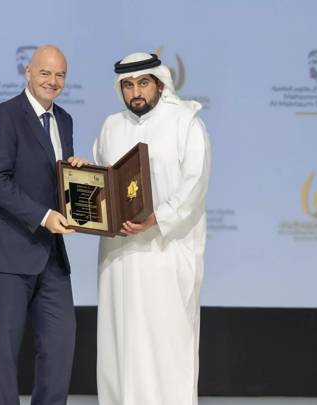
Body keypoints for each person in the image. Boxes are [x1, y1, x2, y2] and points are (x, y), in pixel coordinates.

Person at [93, 52, 212, 405]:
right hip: (118, 257)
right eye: (127, 85)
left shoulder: (185, 122)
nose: (136, 92)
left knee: (166, 346)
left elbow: (195, 184)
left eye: (143, 82)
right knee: (120, 347)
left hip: (166, 254)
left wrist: (156, 217)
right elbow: (102, 185)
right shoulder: (111, 126)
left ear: (160, 83)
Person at [0, 45, 85, 405]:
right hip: (5, 249)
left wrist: (75, 177)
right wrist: (44, 216)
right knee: (4, 353)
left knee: (60, 345)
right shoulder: (4, 116)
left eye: (60, 75)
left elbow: (52, 181)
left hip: (49, 254)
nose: (53, 81)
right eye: (45, 73)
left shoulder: (64, 120)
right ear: (28, 74)